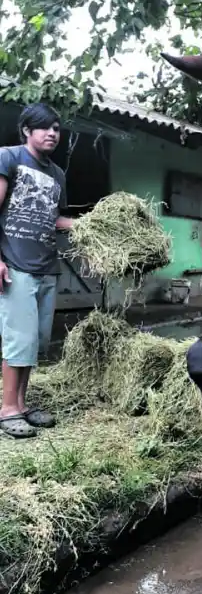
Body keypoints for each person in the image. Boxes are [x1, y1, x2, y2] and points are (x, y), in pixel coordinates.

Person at [0, 103, 73, 439]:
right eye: (45, 127)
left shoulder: (57, 174)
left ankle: (23, 404)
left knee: (38, 342)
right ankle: (7, 409)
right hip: (15, 264)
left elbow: (54, 218)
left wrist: (91, 225)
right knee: (20, 338)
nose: (52, 134)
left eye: (57, 129)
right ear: (27, 130)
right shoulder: (9, 158)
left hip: (47, 266)